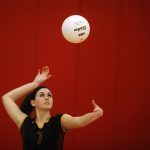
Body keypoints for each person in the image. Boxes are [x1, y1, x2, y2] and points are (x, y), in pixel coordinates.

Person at [2, 66, 103, 150]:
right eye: (42, 95)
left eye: (49, 95)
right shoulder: (24, 122)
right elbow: (6, 97)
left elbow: (79, 121)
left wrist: (96, 114)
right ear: (33, 102)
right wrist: (35, 84)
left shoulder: (59, 121)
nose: (47, 97)